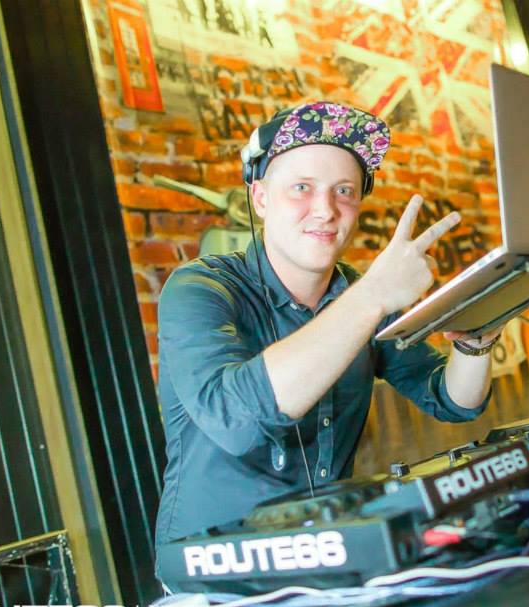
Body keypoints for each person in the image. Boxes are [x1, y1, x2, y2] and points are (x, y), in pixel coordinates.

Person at [154, 102, 498, 560]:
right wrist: (373, 295)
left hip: (327, 549)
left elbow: (452, 400)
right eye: (302, 188)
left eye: (344, 191)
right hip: (215, 564)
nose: (326, 210)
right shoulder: (199, 288)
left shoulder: (359, 295)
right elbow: (234, 420)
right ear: (260, 198)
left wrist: (476, 343)